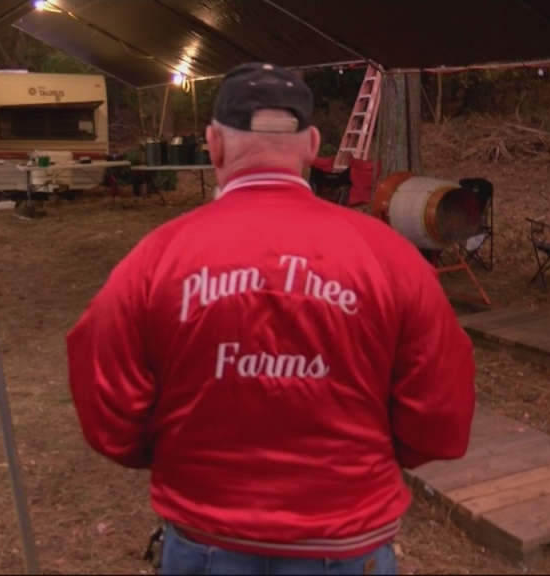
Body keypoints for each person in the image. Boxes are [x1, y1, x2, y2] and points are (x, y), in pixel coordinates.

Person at [66, 62, 476, 576]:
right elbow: (441, 418)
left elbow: (107, 409)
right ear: (311, 146)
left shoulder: (156, 260)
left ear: (214, 144)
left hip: (206, 539)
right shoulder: (389, 258)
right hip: (346, 540)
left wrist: (183, 456)